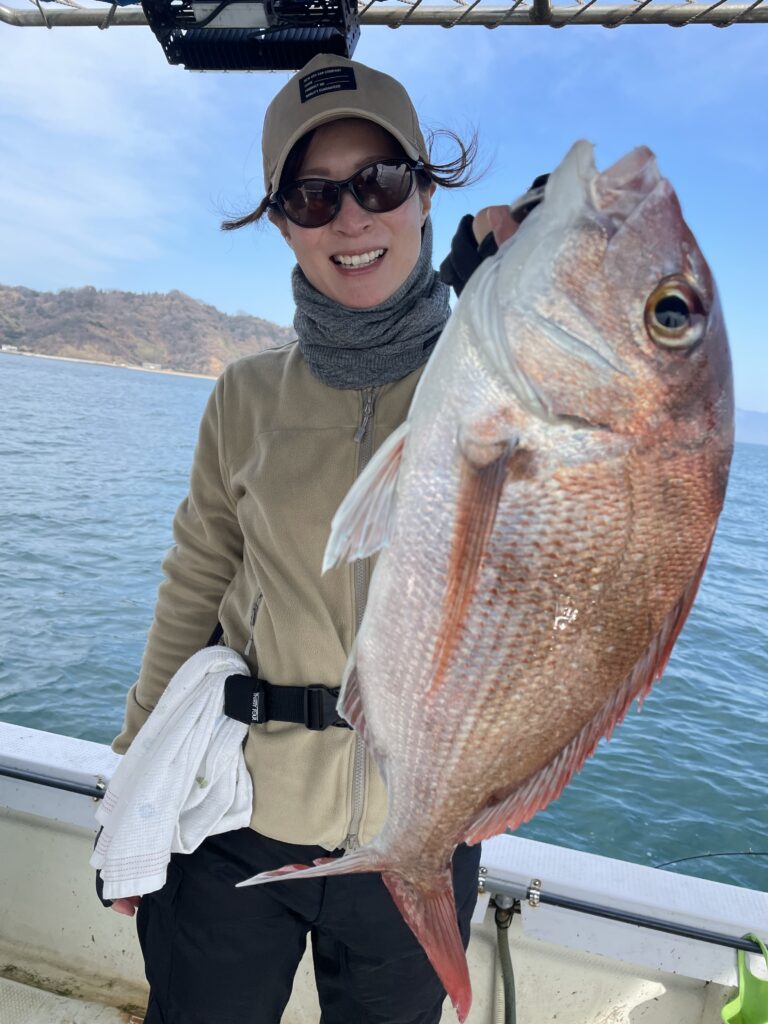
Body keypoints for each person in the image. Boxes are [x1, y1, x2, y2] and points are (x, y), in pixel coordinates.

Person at [105, 52, 527, 1024]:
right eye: (312, 194)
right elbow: (192, 588)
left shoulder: (503, 392)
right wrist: (130, 779)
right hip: (230, 818)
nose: (350, 218)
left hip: (419, 836)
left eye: (379, 182)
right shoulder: (244, 395)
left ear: (425, 193)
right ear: (282, 220)